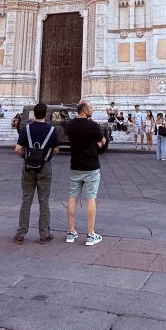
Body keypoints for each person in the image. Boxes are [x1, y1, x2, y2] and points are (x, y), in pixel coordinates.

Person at [13, 102, 59, 244]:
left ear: (34, 113)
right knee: (43, 201)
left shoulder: (26, 129)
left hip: (27, 167)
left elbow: (17, 149)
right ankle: (44, 234)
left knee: (26, 199)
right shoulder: (51, 130)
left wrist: (26, 158)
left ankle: (21, 233)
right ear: (45, 113)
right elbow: (56, 150)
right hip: (44, 167)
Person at [65, 101, 105, 246]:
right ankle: (90, 234)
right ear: (85, 110)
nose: (93, 110)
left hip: (75, 166)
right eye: (91, 108)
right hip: (91, 167)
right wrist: (97, 144)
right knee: (91, 199)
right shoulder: (93, 125)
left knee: (72, 198)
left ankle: (71, 232)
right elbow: (103, 141)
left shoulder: (70, 125)